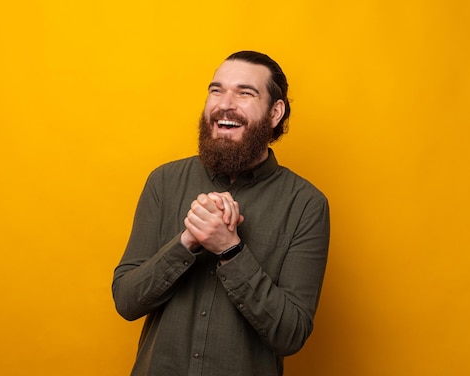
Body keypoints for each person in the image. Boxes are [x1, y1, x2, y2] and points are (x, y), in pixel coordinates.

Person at [112, 51, 330, 376]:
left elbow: (291, 334)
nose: (224, 104)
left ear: (275, 112)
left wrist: (231, 250)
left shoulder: (306, 205)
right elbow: (127, 301)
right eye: (216, 90)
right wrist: (187, 242)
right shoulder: (164, 182)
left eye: (244, 93)